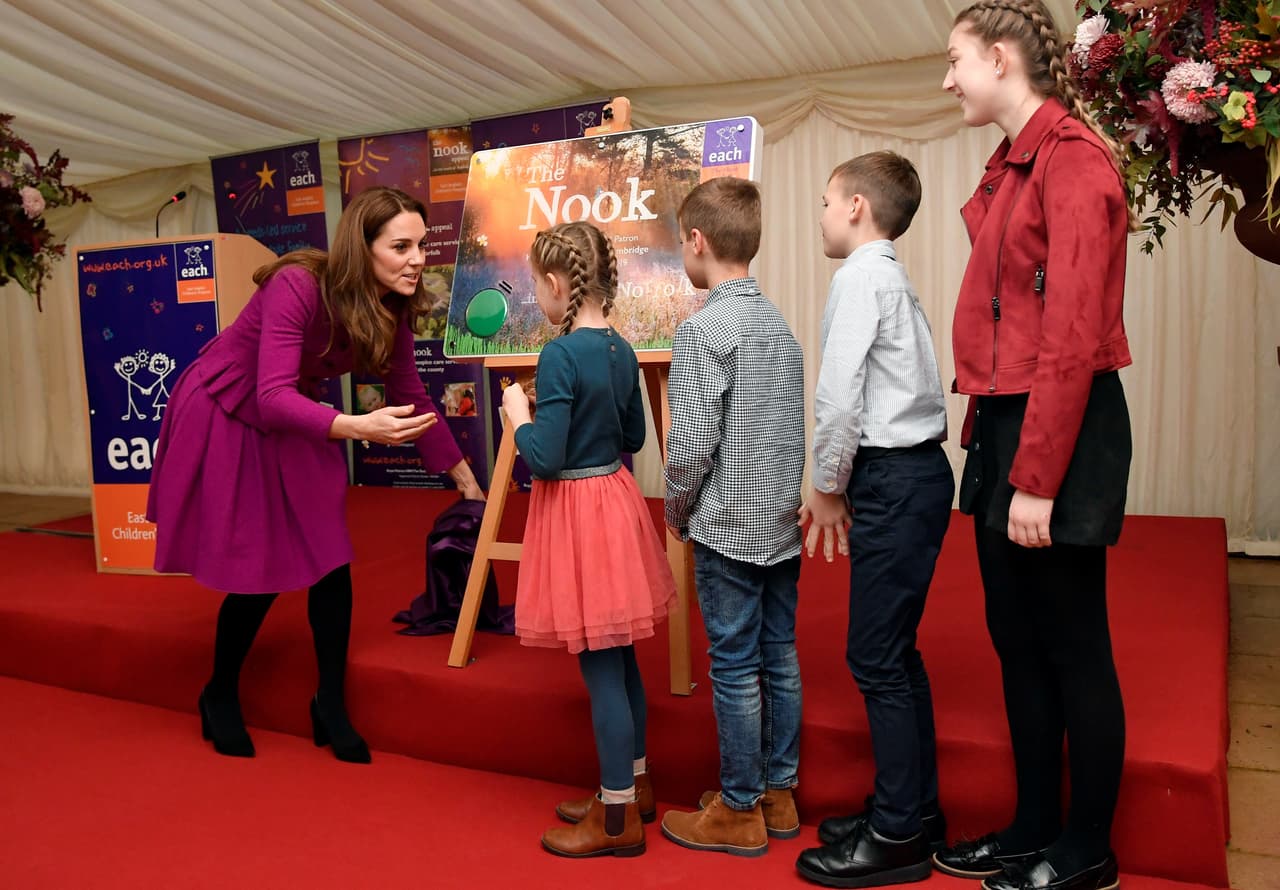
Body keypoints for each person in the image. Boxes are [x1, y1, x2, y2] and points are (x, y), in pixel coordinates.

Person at [147, 186, 484, 763]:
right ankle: (219, 693)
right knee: (263, 561)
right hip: (231, 406)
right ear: (363, 248)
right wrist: (358, 427)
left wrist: (465, 478)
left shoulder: (391, 305)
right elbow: (270, 394)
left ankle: (330, 702)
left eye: (421, 245)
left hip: (296, 409)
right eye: (401, 246)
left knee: (329, 552)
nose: (418, 259)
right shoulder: (297, 284)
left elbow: (410, 396)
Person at [933, 4, 1134, 890]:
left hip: (1065, 421)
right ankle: (1032, 827)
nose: (946, 80)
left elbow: (1073, 335)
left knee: (1071, 642)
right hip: (1008, 419)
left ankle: (1087, 849)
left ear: (1002, 59)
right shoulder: (1019, 162)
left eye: (955, 61)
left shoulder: (1076, 162)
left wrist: (1038, 479)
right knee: (1014, 636)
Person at [794, 152, 954, 888]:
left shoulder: (860, 276)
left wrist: (827, 484)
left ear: (856, 206)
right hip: (915, 474)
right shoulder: (889, 274)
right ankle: (914, 810)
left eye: (827, 200)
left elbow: (840, 393)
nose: (821, 212)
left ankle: (896, 837)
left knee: (876, 658)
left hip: (894, 476)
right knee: (897, 652)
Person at [501, 220, 676, 859]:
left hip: (577, 513)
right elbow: (632, 437)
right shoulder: (621, 349)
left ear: (555, 284)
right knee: (621, 655)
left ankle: (616, 821)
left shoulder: (558, 354)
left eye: (534, 286)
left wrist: (519, 420)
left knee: (600, 666)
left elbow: (544, 458)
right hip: (616, 502)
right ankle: (632, 787)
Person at [661, 176, 806, 858]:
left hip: (725, 523)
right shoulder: (778, 325)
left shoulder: (702, 331)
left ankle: (739, 808)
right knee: (779, 656)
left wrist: (676, 510)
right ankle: (778, 792)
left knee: (733, 664)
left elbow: (689, 448)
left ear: (697, 242)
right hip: (779, 520)